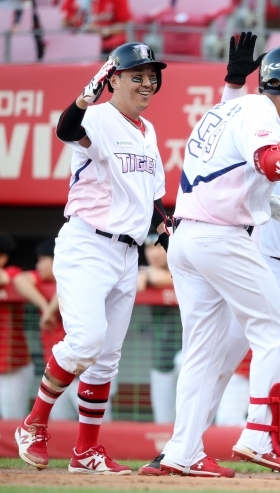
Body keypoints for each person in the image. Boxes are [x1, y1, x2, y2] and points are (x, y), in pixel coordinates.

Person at [154, 40, 280, 478]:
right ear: (276, 80)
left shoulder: (233, 106)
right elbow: (274, 165)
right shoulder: (260, 111)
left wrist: (233, 82)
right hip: (221, 236)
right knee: (275, 329)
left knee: (202, 352)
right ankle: (258, 434)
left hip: (189, 237)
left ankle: (181, 452)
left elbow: (241, 135)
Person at [15, 42, 168, 475]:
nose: (146, 82)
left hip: (127, 252)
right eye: (136, 74)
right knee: (85, 340)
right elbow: (66, 130)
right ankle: (34, 423)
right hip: (88, 242)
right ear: (112, 78)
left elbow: (154, 195)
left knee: (107, 358)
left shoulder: (147, 130)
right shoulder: (95, 117)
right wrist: (86, 96)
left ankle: (86, 452)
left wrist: (165, 227)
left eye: (150, 75)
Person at [13, 239, 80, 421]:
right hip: (56, 374)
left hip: (84, 373)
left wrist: (48, 311)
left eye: (44, 259)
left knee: (96, 427)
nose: (38, 264)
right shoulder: (40, 283)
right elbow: (19, 279)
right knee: (59, 429)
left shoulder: (79, 277)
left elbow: (68, 285)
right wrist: (44, 305)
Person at [137, 233, 180, 424]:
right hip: (161, 358)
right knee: (163, 421)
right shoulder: (143, 271)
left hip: (190, 355)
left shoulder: (186, 268)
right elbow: (137, 283)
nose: (154, 253)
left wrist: (150, 274)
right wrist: (146, 273)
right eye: (149, 247)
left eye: (159, 246)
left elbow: (172, 277)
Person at [0, 233, 33, 420]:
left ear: (3, 257)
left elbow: (4, 278)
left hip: (12, 365)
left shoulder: (14, 274)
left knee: (12, 423)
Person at [60, 0, 132, 54]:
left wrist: (102, 30)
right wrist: (69, 22)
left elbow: (126, 25)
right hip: (78, 45)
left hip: (106, 46)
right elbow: (63, 23)